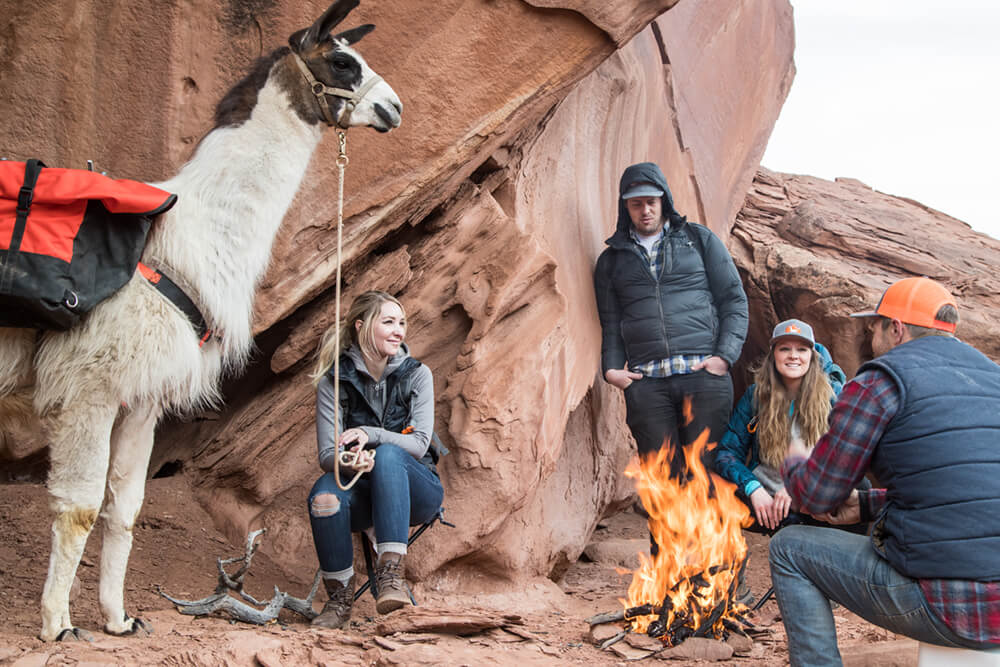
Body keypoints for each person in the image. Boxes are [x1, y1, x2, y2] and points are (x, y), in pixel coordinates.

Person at [769, 277, 1000, 665]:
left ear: (896, 328)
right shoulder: (992, 378)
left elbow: (816, 496)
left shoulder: (881, 380)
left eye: (873, 325)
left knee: (789, 548)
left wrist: (792, 460)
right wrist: (869, 505)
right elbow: (963, 490)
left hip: (955, 609)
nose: (869, 333)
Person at [593, 162, 748, 484]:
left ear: (664, 200)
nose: (645, 210)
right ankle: (666, 539)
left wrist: (724, 357)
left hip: (703, 376)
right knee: (663, 481)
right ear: (626, 207)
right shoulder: (611, 261)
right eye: (636, 204)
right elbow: (610, 323)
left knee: (707, 478)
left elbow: (734, 300)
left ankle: (712, 538)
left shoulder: (698, 240)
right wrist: (611, 370)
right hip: (648, 385)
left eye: (651, 201)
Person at [307, 290, 444, 629]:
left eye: (402, 323)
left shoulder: (417, 374)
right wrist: (355, 462)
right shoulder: (334, 380)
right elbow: (328, 456)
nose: (399, 331)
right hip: (363, 490)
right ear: (361, 326)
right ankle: (338, 600)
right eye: (389, 322)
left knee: (388, 456)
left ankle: (391, 577)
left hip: (416, 491)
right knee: (324, 498)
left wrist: (371, 435)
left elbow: (419, 443)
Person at [714, 318, 868, 534]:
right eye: (784, 348)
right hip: (766, 500)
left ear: (812, 357)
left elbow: (848, 455)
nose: (793, 355)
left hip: (811, 497)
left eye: (802, 349)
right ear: (773, 355)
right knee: (709, 488)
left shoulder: (833, 395)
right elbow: (727, 453)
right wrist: (753, 488)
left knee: (861, 488)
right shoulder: (755, 396)